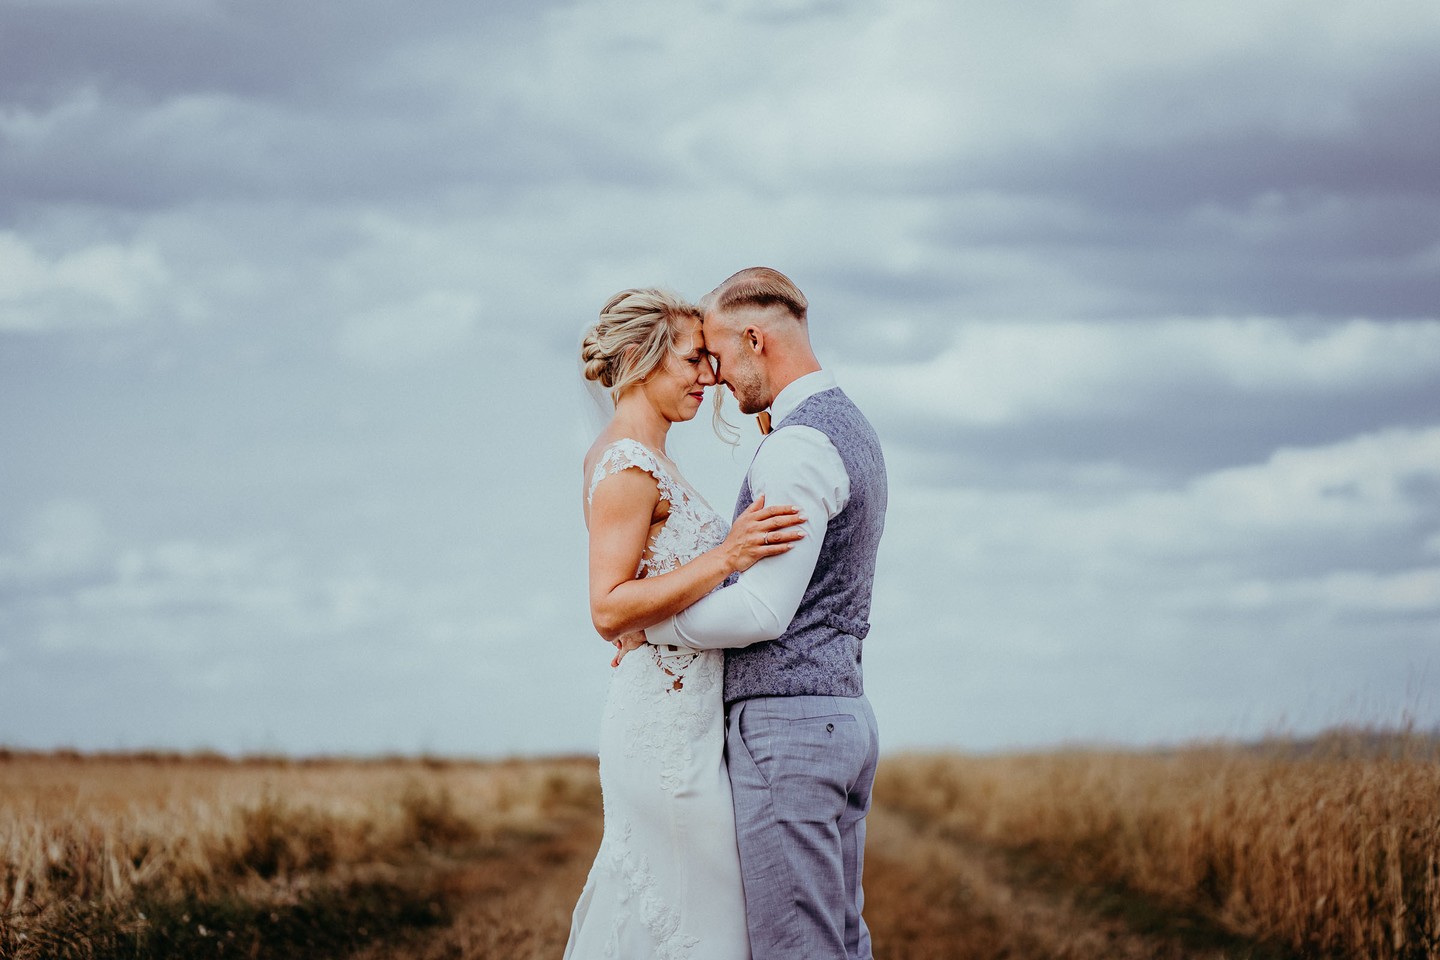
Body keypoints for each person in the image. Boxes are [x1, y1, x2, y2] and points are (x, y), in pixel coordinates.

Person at [636, 267, 888, 960]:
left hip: (789, 727)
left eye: (715, 353)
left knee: (797, 948)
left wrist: (654, 623)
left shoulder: (799, 446)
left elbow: (760, 610)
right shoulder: (850, 427)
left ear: (755, 338)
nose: (713, 376)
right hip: (838, 714)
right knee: (839, 939)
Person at [563, 287, 807, 960]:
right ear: (642, 360)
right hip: (663, 733)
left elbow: (645, 596)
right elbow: (608, 606)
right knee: (705, 925)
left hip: (692, 719)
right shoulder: (625, 466)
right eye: (694, 360)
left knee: (690, 917)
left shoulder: (650, 457)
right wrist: (728, 555)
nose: (710, 377)